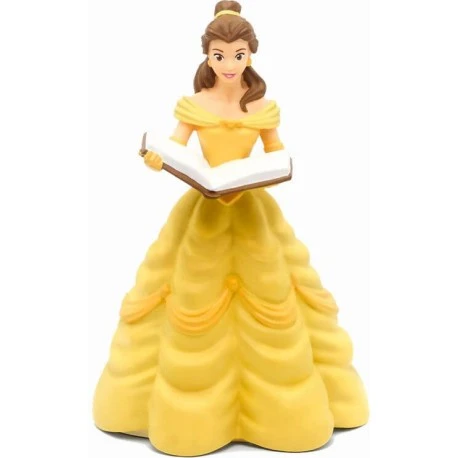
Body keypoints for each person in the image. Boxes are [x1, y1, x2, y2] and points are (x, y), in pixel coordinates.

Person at [93, 1, 369, 456]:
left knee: (273, 290)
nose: (228, 64)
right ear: (207, 56)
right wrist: (160, 160)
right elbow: (177, 146)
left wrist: (266, 172)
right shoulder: (195, 105)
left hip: (250, 206)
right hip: (204, 208)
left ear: (250, 56)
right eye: (219, 55)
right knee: (190, 288)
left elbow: (276, 153)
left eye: (238, 55)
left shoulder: (261, 106)